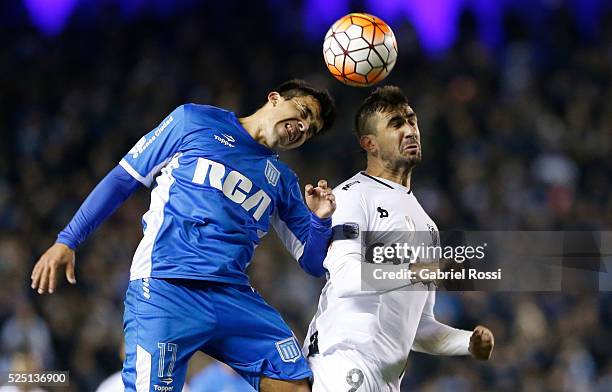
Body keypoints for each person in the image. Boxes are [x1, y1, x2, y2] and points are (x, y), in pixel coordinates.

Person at [31, 79, 337, 392]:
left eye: (310, 129)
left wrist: (320, 219)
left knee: (295, 382)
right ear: (274, 98)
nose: (302, 127)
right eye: (302, 113)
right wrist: (68, 239)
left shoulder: (282, 181)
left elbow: (313, 262)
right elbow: (124, 179)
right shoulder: (194, 121)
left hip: (231, 295)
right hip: (166, 287)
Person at [303, 86, 494, 392]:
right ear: (370, 143)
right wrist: (419, 270)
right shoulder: (352, 197)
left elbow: (418, 328)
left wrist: (466, 343)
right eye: (396, 124)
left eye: (411, 120)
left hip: (385, 381)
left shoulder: (428, 227)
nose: (409, 130)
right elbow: (345, 278)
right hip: (343, 364)